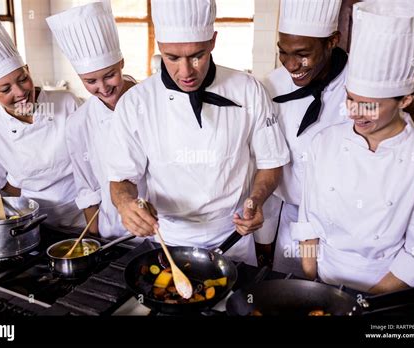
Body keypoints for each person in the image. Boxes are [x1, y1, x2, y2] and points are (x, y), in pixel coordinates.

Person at [105, 0, 290, 265]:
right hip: (169, 241)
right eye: (173, 58)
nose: (186, 72)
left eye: (197, 56)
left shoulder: (248, 90)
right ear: (160, 47)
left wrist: (256, 200)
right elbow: (121, 179)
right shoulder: (136, 103)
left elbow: (271, 163)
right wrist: (124, 203)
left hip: (233, 236)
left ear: (213, 41)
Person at [293, 0, 414, 293]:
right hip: (323, 283)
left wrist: (363, 305)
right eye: (350, 98)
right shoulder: (324, 141)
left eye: (368, 105)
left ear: (404, 100)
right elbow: (308, 226)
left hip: (387, 294)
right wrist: (310, 281)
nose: (354, 112)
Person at [0, 15, 84, 227]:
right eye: (5, 89)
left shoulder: (66, 102)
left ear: (28, 70)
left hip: (86, 215)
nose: (20, 93)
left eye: (23, 79)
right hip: (33, 223)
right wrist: (29, 201)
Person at [263, 0, 348, 276]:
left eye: (302, 53)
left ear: (332, 41)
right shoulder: (271, 85)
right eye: (283, 52)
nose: (290, 64)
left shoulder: (360, 90)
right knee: (295, 298)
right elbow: (267, 160)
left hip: (346, 223)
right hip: (291, 222)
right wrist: (264, 237)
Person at [47, 2, 140, 238]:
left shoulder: (153, 100)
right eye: (90, 81)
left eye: (110, 75)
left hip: (166, 229)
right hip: (116, 231)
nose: (103, 88)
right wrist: (95, 239)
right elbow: (87, 186)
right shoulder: (78, 123)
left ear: (121, 63)